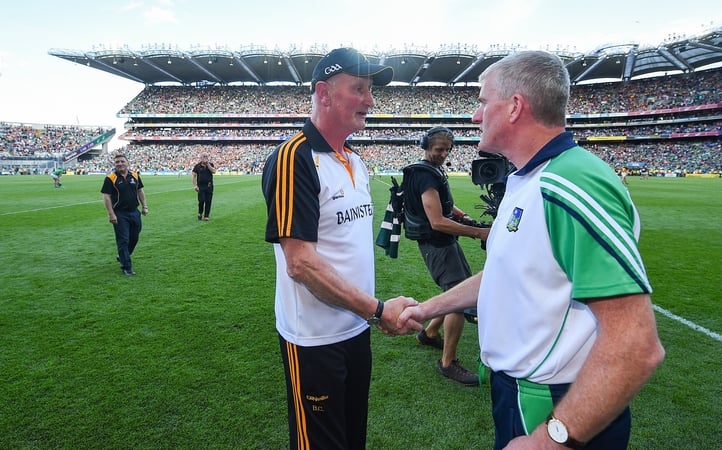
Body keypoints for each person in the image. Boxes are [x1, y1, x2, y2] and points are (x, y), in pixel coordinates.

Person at [397, 51, 664, 449]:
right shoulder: (530, 177)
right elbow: (510, 271)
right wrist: (429, 308)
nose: (475, 116)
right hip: (523, 389)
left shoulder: (571, 183)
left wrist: (549, 440)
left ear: (515, 107)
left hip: (553, 398)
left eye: (483, 102)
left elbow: (636, 345)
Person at [261, 47, 419, 450]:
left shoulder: (355, 161)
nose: (370, 100)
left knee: (352, 439)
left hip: (354, 329)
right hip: (314, 340)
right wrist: (378, 310)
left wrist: (368, 314)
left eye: (370, 90)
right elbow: (301, 264)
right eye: (360, 89)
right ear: (325, 94)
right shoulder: (294, 158)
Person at [402, 126, 490, 386]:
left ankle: (430, 333)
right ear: (426, 145)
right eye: (439, 149)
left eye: (447, 149)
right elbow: (438, 221)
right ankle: (447, 362)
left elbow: (445, 205)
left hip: (443, 242)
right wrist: (478, 233)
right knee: (460, 299)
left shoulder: (431, 171)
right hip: (437, 242)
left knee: (457, 289)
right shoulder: (425, 175)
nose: (443, 154)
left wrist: (463, 217)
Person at [101, 153, 149, 276]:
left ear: (127, 163)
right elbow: (106, 197)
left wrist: (144, 206)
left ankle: (123, 255)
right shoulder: (110, 178)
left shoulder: (135, 176)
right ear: (114, 164)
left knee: (134, 237)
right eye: (117, 162)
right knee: (123, 240)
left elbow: (140, 191)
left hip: (134, 212)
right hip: (120, 213)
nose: (120, 164)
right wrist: (111, 214)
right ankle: (126, 267)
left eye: (122, 161)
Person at [192, 153, 217, 221]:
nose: (205, 157)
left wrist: (208, 164)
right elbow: (193, 176)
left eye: (206, 156)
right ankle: (200, 212)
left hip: (209, 186)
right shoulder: (197, 166)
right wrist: (195, 186)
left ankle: (206, 215)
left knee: (208, 201)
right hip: (200, 186)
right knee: (201, 200)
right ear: (201, 157)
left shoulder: (211, 164)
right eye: (204, 156)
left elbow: (214, 171)